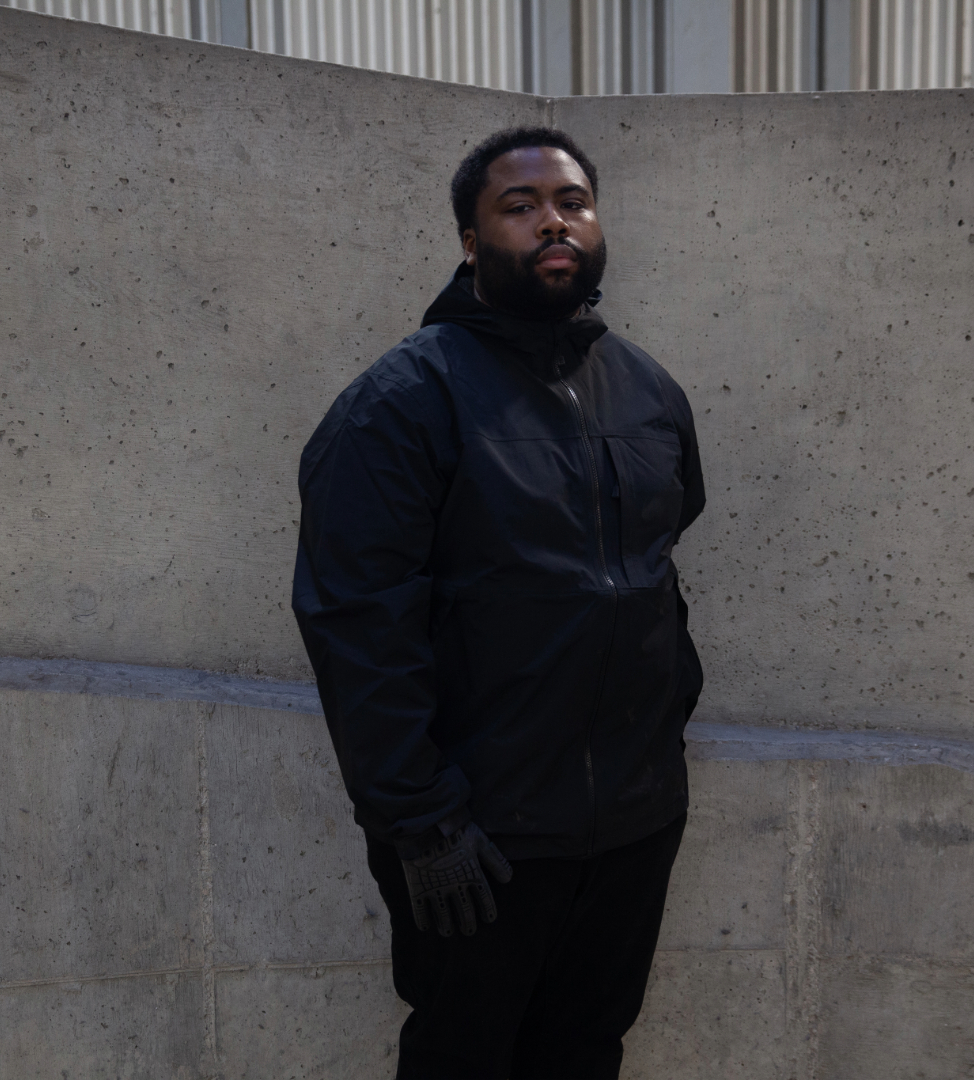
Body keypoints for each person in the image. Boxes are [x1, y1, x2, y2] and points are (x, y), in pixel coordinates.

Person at [292, 126, 705, 1079]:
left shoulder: (647, 390)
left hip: (633, 822)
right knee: (464, 1058)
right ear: (472, 243)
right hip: (481, 839)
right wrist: (424, 826)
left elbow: (658, 559)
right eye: (520, 207)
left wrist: (665, 740)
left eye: (572, 202)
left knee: (586, 1051)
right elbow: (358, 628)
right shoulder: (402, 401)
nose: (553, 221)